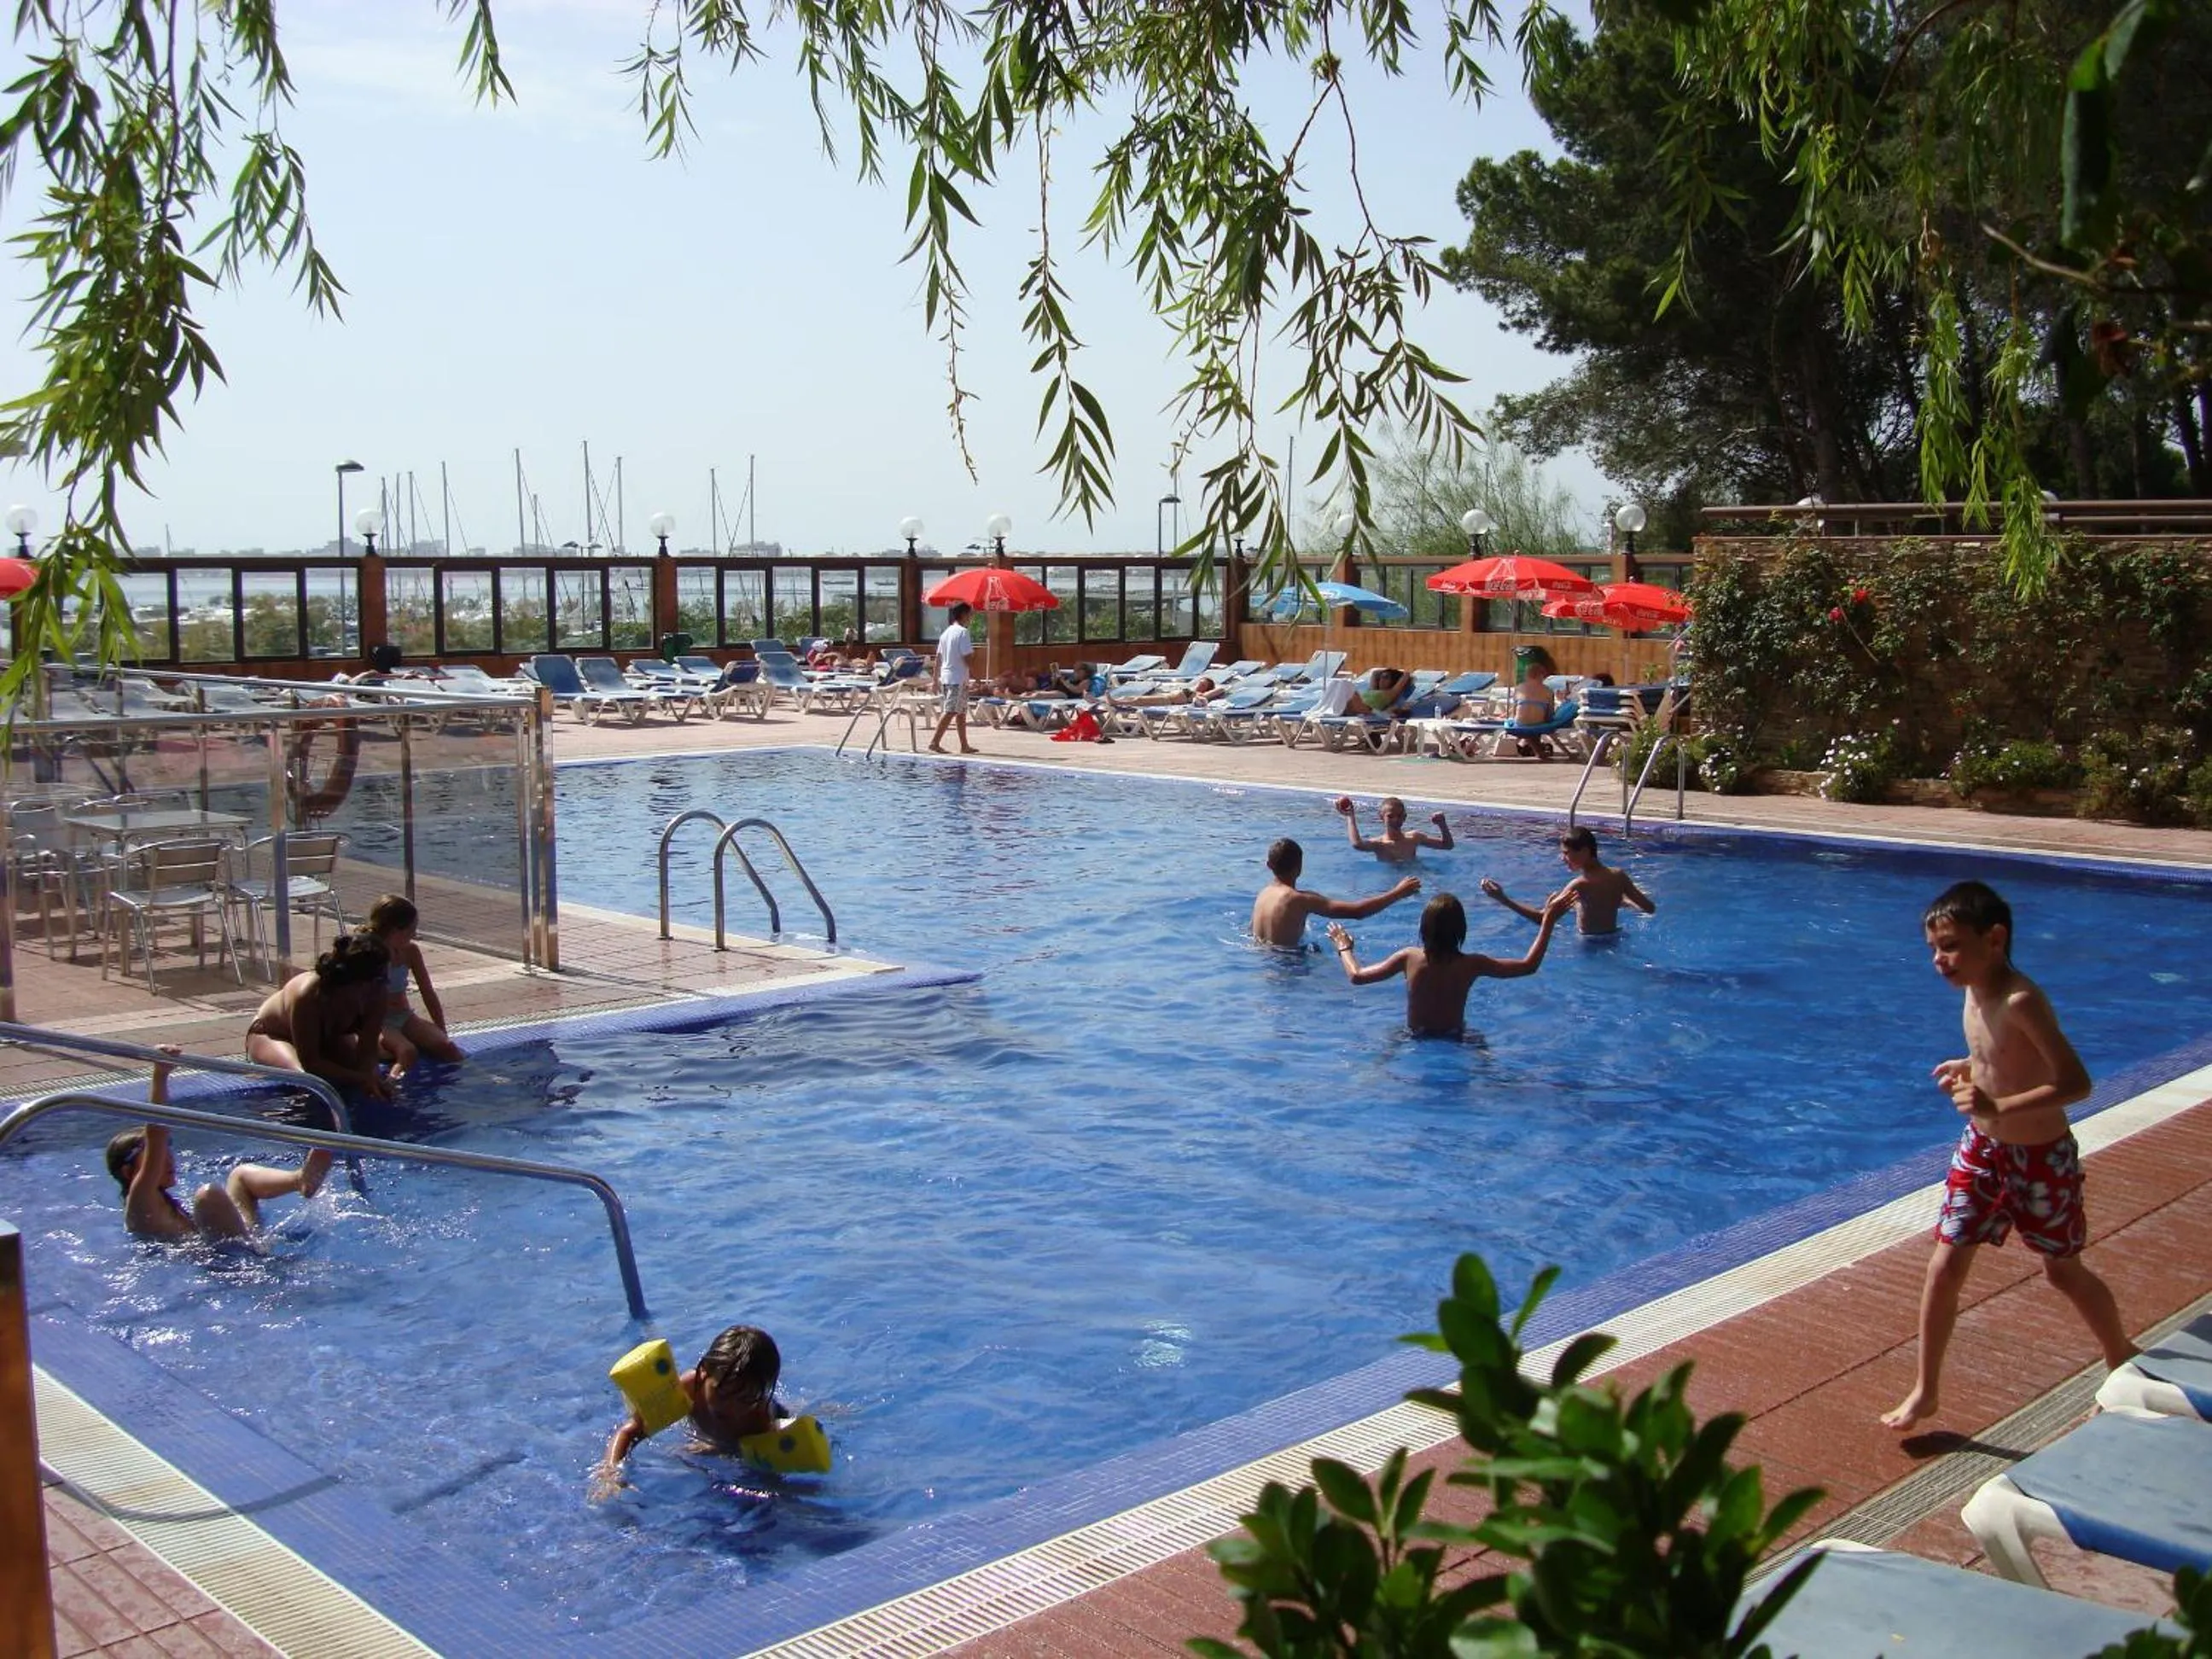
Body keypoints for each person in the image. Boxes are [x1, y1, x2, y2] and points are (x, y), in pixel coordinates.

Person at [1877, 882, 2136, 1430]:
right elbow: (1995, 1054)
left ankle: (2121, 1357)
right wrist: (1971, 1067)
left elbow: (2076, 1082)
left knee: (2062, 1274)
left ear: (1994, 939)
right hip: (1983, 1150)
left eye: (1949, 946)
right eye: (1932, 949)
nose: (1938, 960)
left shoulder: (2021, 1000)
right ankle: (1926, 1390)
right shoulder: (1973, 992)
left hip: (2041, 1157)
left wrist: (1999, 1099)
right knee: (1945, 1265)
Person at [106, 1045, 331, 1242]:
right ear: (128, 1171)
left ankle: (300, 1179)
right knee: (208, 1196)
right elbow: (157, 1131)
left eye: (168, 1149)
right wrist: (160, 1074)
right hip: (227, 1263)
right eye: (155, 1154)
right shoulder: (140, 1201)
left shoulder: (159, 1199)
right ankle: (259, 1252)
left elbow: (157, 1138)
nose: (168, 1158)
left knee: (240, 1176)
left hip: (234, 1247)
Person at [1325, 889, 1574, 1037]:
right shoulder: (1472, 964)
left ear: (1423, 928)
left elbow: (1357, 976)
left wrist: (1343, 946)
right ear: (1461, 929)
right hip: (1456, 1038)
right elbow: (1529, 965)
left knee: (1387, 1049)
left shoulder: (1409, 958)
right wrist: (1548, 921)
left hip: (1415, 1037)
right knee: (1481, 1049)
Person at [597, 1324, 786, 1487]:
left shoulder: (757, 1418)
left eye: (745, 1399)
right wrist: (610, 1473)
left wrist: (713, 1449)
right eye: (722, 1393)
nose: (732, 1408)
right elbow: (629, 1431)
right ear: (704, 1372)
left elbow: (755, 1461)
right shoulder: (690, 1388)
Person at [243, 931, 394, 1100]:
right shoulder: (309, 996)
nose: (383, 982)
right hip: (272, 1034)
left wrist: (370, 1078)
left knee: (359, 1081)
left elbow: (367, 1051)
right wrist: (361, 1078)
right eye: (378, 978)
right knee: (308, 1083)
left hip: (328, 1039)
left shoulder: (378, 994)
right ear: (355, 980)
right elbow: (311, 1063)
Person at [1480, 826, 1655, 935]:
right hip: (1616, 938)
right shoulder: (1618, 876)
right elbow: (1649, 908)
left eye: (1566, 853)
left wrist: (1503, 899)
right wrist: (1621, 901)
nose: (1562, 858)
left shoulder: (1579, 885)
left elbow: (1542, 919)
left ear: (1585, 851)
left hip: (1589, 948)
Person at [1249, 838, 1420, 948]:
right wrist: (1397, 893)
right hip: (1289, 966)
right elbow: (1357, 912)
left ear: (1269, 865)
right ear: (1299, 867)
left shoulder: (1263, 894)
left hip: (1263, 959)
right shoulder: (1298, 899)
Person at [363, 894, 464, 1078]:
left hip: (404, 1016)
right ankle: (391, 1086)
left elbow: (427, 992)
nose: (414, 934)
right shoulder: (370, 954)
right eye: (412, 929)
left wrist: (441, 1030)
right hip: (378, 1021)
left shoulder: (411, 951)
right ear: (396, 930)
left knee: (448, 1048)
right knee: (407, 1052)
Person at [1335, 795, 1452, 864]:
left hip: (1414, 878)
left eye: (1400, 815)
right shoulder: (1380, 845)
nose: (1396, 819)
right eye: (1391, 816)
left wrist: (1442, 824)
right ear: (1381, 817)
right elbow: (1357, 845)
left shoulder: (1414, 838)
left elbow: (1447, 846)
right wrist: (1350, 816)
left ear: (1405, 817)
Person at [928, 601, 979, 754]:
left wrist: (935, 679)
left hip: (949, 677)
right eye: (970, 614)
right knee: (951, 710)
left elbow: (938, 657)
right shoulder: (962, 633)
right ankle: (934, 742)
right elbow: (967, 657)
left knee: (961, 712)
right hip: (957, 678)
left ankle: (964, 745)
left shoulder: (946, 633)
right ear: (963, 615)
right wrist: (976, 676)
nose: (971, 617)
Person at [1509, 649, 1557, 757]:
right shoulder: (1548, 691)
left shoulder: (1519, 688)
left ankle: (1535, 749)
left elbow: (1514, 710)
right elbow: (1550, 713)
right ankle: (1539, 751)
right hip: (1538, 724)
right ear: (1541, 676)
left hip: (1520, 723)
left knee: (1527, 724)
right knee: (1536, 723)